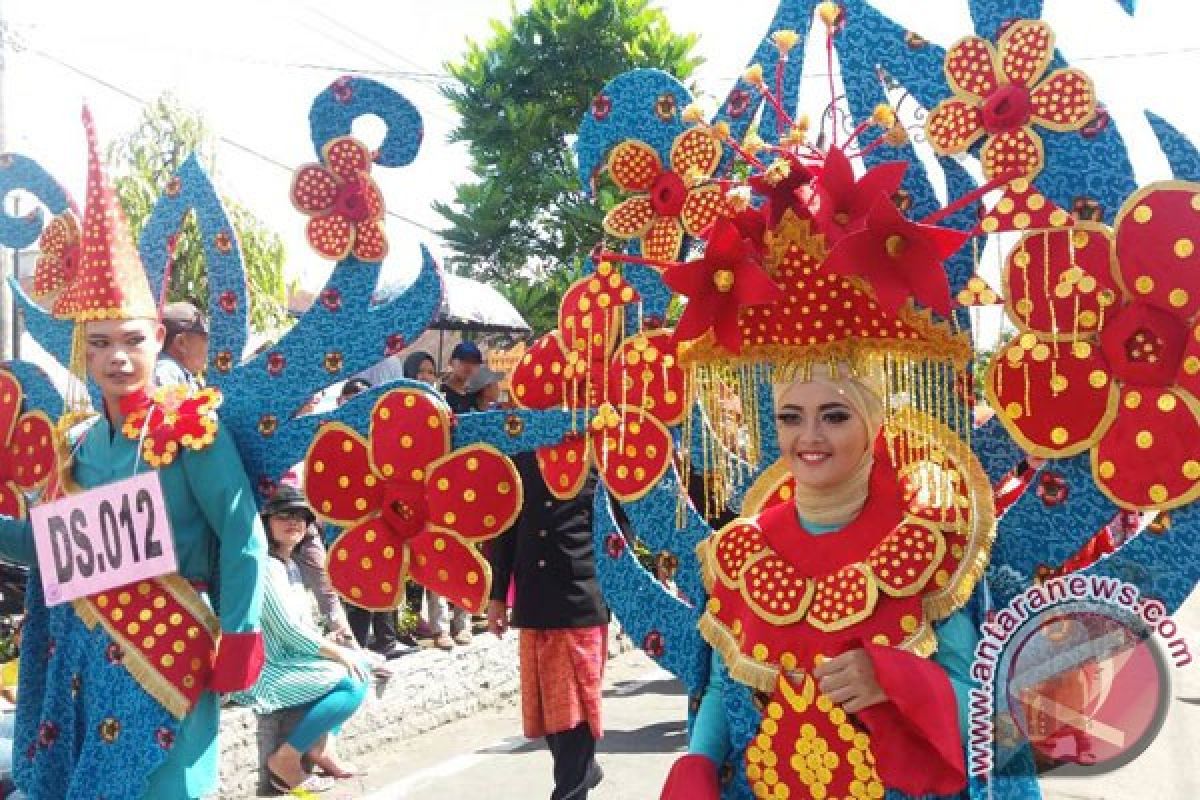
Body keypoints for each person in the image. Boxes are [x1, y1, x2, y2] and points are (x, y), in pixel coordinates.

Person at [0, 109, 265, 800]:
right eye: (100, 343)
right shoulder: (80, 446)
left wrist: (239, 636)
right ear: (82, 351)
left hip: (171, 649)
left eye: (132, 340)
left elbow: (242, 535)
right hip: (94, 658)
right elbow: (58, 552)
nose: (116, 357)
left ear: (157, 342)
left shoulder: (191, 430)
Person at [231, 486, 371, 793]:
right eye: (283, 515)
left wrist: (333, 640)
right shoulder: (265, 566)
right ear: (266, 522)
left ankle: (324, 748)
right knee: (352, 682)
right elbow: (287, 630)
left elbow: (300, 624)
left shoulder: (290, 565)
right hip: (267, 670)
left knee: (362, 665)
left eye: (300, 516)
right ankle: (287, 756)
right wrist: (336, 653)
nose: (293, 522)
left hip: (291, 660)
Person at [487, 452, 608, 800]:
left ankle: (573, 787)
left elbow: (617, 528)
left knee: (576, 713)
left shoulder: (596, 457)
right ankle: (585, 772)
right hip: (534, 597)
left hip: (579, 598)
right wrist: (498, 597)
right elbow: (506, 531)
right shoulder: (520, 459)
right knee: (549, 713)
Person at [333, 378, 413, 659]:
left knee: (388, 572)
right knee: (357, 581)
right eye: (353, 396)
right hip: (350, 519)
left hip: (384, 515)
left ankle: (387, 639)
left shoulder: (385, 432)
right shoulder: (335, 430)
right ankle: (358, 644)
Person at [154, 300, 209, 390]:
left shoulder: (178, 373)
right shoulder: (167, 372)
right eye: (205, 339)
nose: (208, 347)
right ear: (181, 343)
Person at [440, 340, 483, 414]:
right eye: (464, 360)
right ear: (450, 362)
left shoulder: (475, 396)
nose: (469, 366)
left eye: (474, 363)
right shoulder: (439, 394)